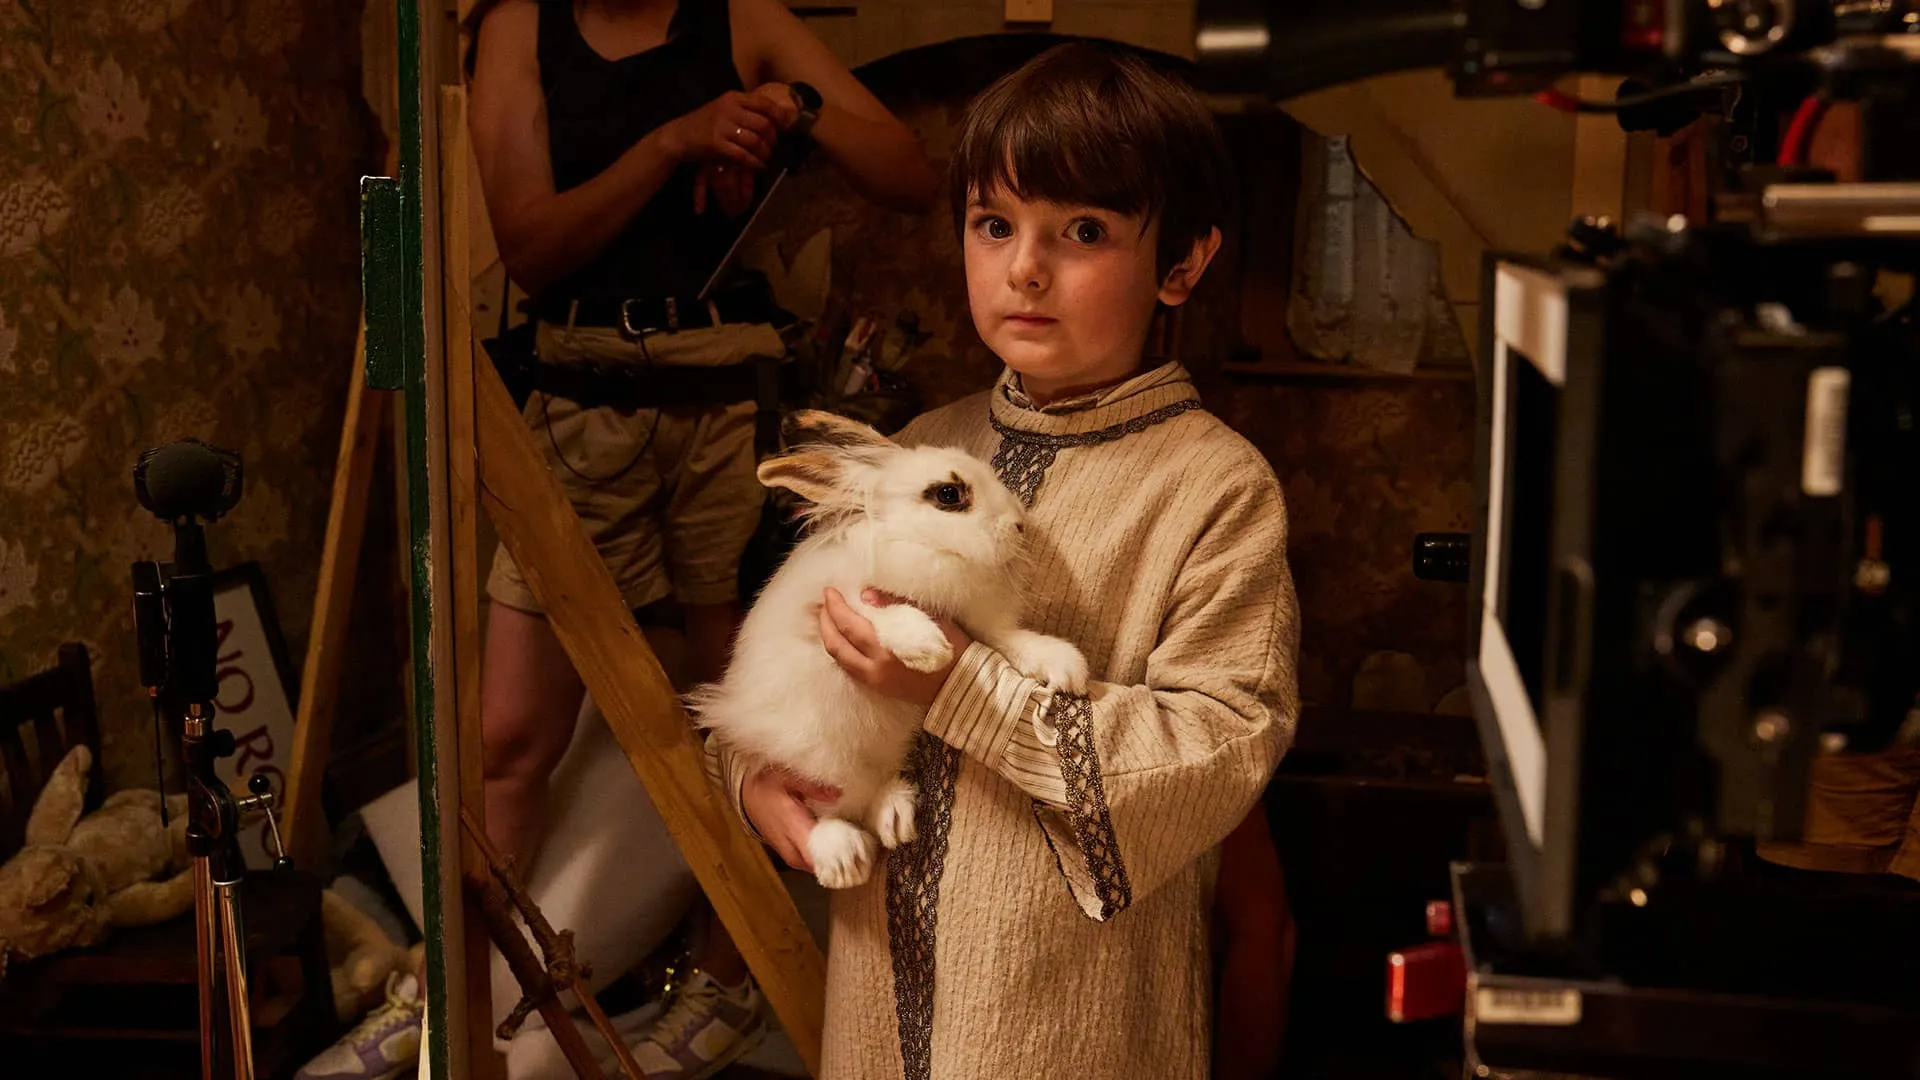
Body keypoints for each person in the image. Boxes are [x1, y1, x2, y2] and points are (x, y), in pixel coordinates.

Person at [712, 42, 1301, 1079]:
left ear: (1184, 262)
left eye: (1083, 231)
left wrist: (961, 686)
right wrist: (756, 774)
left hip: (1063, 1024)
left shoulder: (1215, 487)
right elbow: (791, 650)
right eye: (995, 225)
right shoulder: (923, 447)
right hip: (873, 1019)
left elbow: (1220, 746)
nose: (1025, 267)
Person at [464, 1, 939, 1075]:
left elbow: (909, 172)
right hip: (580, 404)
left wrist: (786, 109)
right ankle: (452, 994)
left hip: (723, 413)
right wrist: (675, 141)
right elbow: (532, 249)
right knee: (506, 736)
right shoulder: (516, 27)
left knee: (754, 725)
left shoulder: (744, 18)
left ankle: (724, 988)